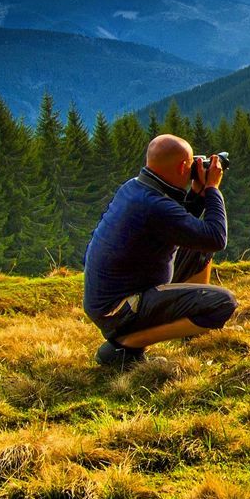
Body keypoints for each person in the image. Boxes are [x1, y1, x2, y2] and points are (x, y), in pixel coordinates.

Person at [82, 134, 236, 368]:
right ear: (183, 166)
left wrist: (197, 193)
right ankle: (125, 345)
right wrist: (213, 188)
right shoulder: (154, 205)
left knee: (198, 250)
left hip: (114, 298)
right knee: (222, 303)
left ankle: (193, 328)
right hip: (119, 310)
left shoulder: (136, 188)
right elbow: (216, 238)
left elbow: (181, 227)